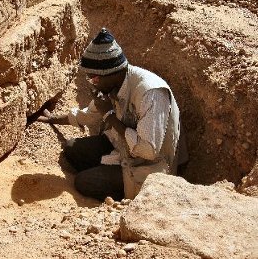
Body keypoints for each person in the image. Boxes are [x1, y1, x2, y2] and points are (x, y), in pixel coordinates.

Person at [37, 28, 185, 201]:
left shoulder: (149, 93)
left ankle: (122, 191)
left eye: (94, 79)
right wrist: (54, 119)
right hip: (122, 147)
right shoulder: (113, 84)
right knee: (72, 148)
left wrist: (110, 116)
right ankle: (106, 170)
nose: (92, 84)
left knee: (83, 182)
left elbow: (148, 151)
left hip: (149, 166)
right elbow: (89, 114)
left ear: (111, 73)